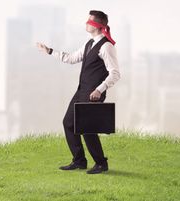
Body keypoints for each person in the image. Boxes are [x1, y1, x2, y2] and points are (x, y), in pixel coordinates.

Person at [36, 10, 120, 174]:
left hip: (93, 94)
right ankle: (79, 161)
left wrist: (99, 89)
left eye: (89, 21)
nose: (86, 23)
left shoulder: (106, 47)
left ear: (97, 25)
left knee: (87, 129)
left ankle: (101, 163)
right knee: (69, 123)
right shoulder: (89, 44)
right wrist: (50, 51)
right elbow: (72, 58)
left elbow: (115, 73)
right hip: (81, 91)